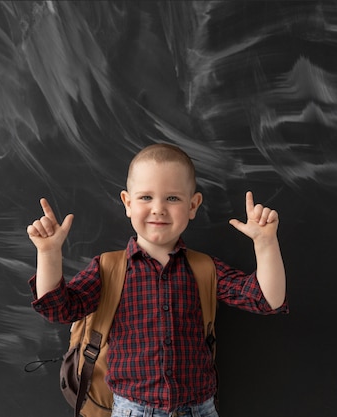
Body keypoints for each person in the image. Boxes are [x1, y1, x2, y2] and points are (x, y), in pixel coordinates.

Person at [27, 143, 288, 417]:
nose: (158, 209)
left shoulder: (205, 269)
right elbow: (58, 309)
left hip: (199, 410)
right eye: (146, 198)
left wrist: (266, 243)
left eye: (172, 198)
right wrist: (48, 253)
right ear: (127, 203)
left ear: (193, 205)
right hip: (132, 410)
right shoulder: (108, 268)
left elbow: (267, 300)